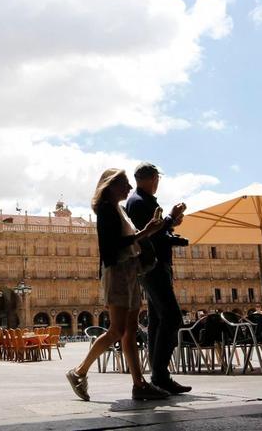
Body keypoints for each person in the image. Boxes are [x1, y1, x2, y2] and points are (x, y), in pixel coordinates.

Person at [66, 168, 168, 401]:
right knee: (117, 330)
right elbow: (112, 246)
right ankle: (79, 371)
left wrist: (149, 230)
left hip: (131, 271)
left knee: (130, 332)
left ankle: (139, 384)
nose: (130, 188)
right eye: (124, 184)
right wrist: (146, 232)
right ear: (110, 185)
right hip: (118, 272)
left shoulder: (118, 209)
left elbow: (128, 241)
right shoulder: (105, 210)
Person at [126, 162, 191, 395]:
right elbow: (146, 236)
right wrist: (171, 218)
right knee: (172, 318)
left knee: (157, 321)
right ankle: (160, 376)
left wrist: (172, 228)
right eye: (157, 179)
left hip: (153, 265)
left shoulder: (140, 201)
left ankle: (158, 377)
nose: (158, 183)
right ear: (153, 178)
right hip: (152, 266)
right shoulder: (139, 202)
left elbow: (157, 233)